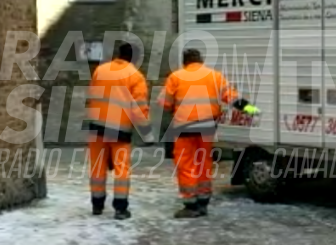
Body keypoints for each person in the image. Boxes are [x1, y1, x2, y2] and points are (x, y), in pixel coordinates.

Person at [159, 47, 259, 218]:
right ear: (201, 60)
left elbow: (164, 103)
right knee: (203, 161)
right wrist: (250, 109)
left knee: (186, 164)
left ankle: (191, 204)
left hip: (184, 127)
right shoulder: (214, 76)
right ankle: (203, 200)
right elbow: (233, 98)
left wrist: (173, 108)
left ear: (185, 61)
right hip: (207, 126)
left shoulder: (175, 77)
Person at [85, 42, 154, 219]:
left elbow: (91, 95)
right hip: (120, 130)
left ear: (118, 54)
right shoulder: (136, 76)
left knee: (97, 167)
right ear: (134, 58)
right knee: (121, 169)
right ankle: (120, 208)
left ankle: (97, 205)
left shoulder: (100, 70)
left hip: (97, 127)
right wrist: (147, 133)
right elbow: (140, 108)